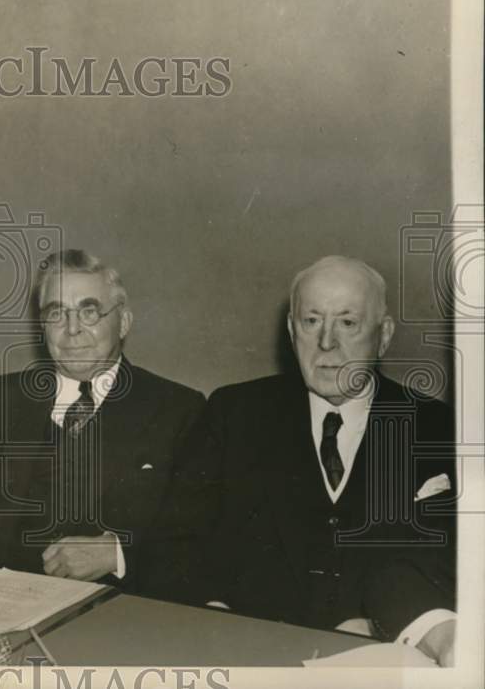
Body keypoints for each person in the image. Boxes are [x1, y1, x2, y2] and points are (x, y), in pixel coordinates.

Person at [191, 256, 456, 664]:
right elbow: (190, 541)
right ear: (291, 330)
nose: (327, 343)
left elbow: (451, 560)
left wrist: (381, 622)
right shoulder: (234, 412)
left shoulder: (439, 428)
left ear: (383, 335)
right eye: (311, 321)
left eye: (348, 323)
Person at [0, 249, 205, 594]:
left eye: (89, 311)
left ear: (124, 322)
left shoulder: (177, 411)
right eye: (56, 313)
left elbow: (197, 540)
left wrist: (117, 553)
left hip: (115, 616)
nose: (71, 329)